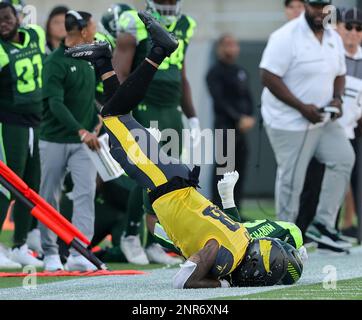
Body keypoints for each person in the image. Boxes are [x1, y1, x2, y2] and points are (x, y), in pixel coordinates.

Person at [65, 11, 291, 289]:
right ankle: (158, 51)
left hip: (172, 184)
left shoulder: (241, 239)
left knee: (119, 117)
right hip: (166, 183)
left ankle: (102, 60)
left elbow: (225, 227)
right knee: (114, 116)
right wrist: (223, 285)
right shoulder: (228, 256)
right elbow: (183, 279)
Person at [260, 0, 354, 252]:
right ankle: (283, 237)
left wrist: (338, 98)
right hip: (290, 121)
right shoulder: (285, 36)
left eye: (324, 6)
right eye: (314, 5)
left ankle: (322, 224)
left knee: (344, 157)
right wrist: (302, 107)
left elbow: (340, 73)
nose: (320, 11)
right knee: (292, 179)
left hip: (321, 117)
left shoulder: (332, 35)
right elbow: (267, 76)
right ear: (305, 5)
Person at [113, 0, 200, 265]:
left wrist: (192, 114)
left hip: (171, 109)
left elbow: (181, 74)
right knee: (145, 172)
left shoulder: (186, 24)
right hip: (144, 105)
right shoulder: (134, 20)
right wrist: (121, 106)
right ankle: (130, 235)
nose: (169, 3)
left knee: (170, 176)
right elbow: (121, 71)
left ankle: (154, 241)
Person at [39, 10, 101, 272]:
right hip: (55, 139)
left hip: (83, 140)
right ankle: (50, 253)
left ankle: (80, 251)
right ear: (83, 30)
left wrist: (98, 117)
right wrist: (81, 131)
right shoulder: (56, 62)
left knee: (86, 193)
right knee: (48, 196)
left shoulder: (89, 59)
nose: (96, 30)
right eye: (93, 26)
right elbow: (55, 104)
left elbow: (86, 97)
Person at [298, 7, 362, 242]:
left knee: (343, 184)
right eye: (349, 26)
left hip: (349, 132)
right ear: (339, 27)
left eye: (359, 28)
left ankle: (330, 230)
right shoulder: (329, 53)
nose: (354, 32)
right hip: (320, 129)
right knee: (312, 185)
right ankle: (299, 234)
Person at [0, 1, 45, 268]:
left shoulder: (35, 35)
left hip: (35, 122)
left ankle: (20, 244)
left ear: (17, 17)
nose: (3, 24)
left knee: (31, 187)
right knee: (7, 187)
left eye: (6, 18)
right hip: (9, 124)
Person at [206, 34, 255, 215]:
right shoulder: (215, 72)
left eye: (234, 44)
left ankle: (236, 210)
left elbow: (248, 98)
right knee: (224, 170)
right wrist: (238, 118)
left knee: (239, 170)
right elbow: (220, 101)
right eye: (227, 45)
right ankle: (218, 210)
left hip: (241, 130)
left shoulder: (240, 71)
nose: (232, 48)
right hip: (225, 128)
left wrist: (249, 116)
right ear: (220, 48)